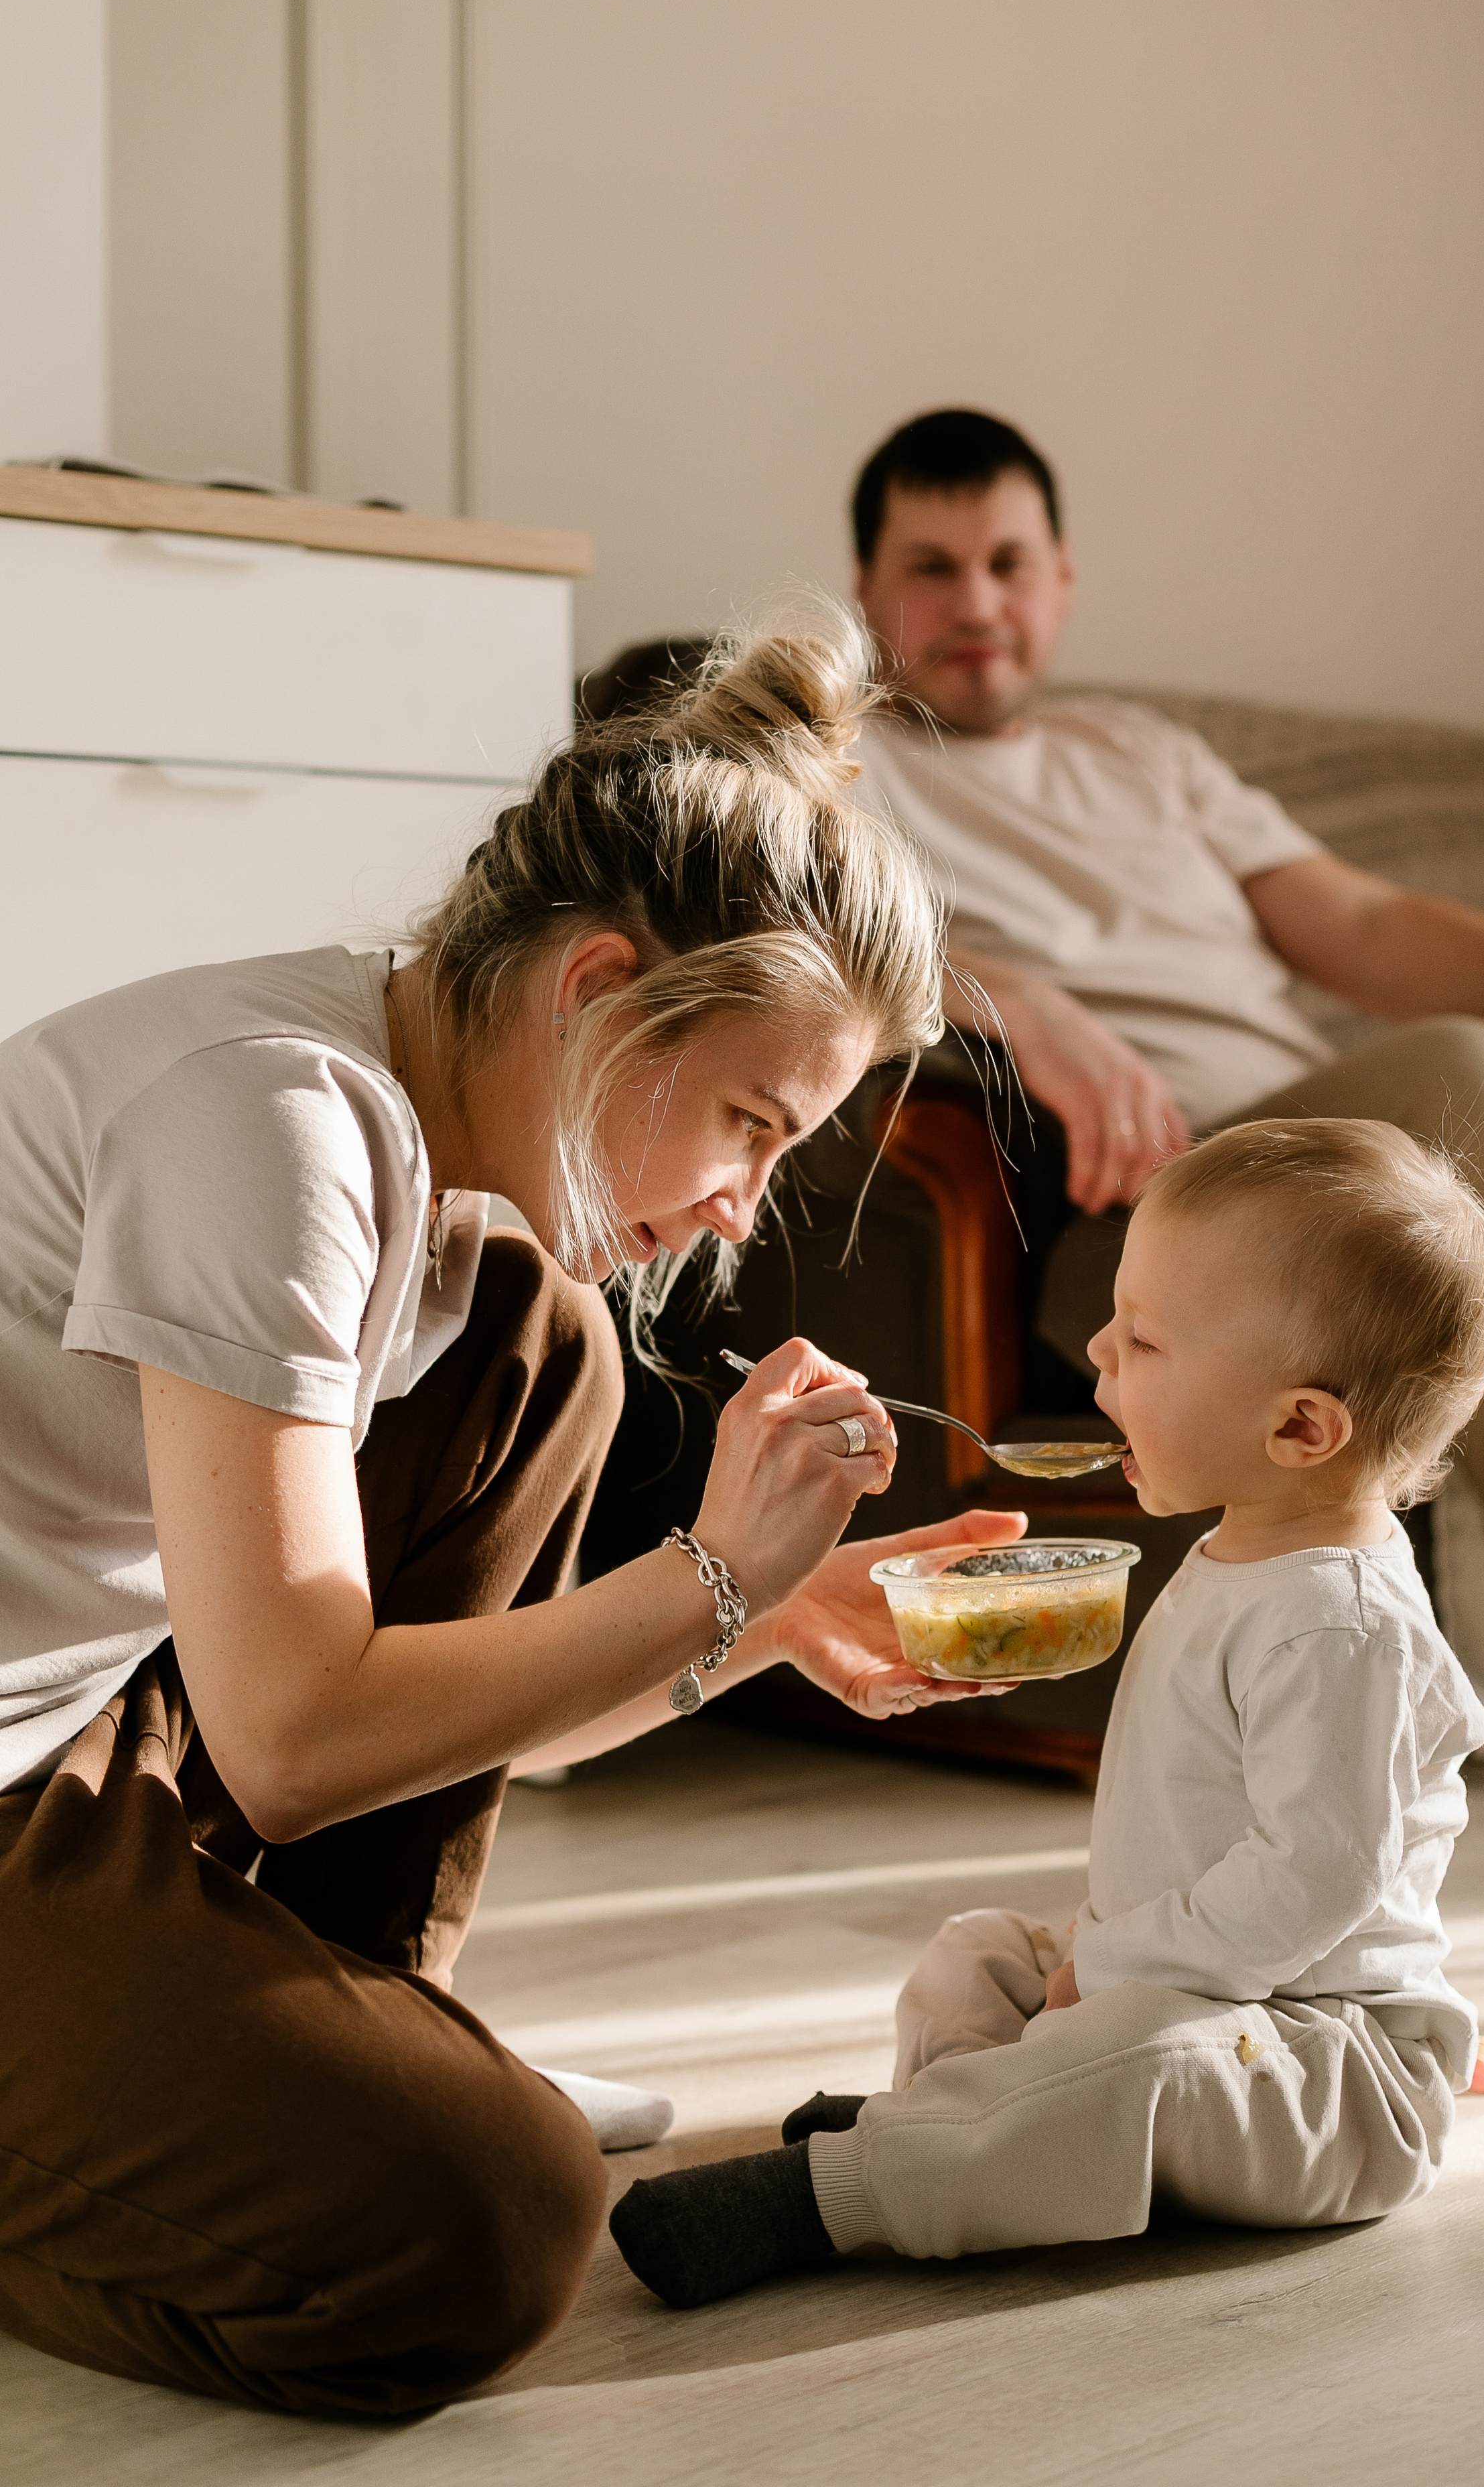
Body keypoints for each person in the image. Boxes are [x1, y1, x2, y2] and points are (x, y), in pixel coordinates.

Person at [0, 610, 1028, 2419]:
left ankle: (330, 2030)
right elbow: (303, 1737)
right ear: (597, 990)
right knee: (488, 2222)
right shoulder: (278, 1124)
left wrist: (767, 1625)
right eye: (748, 1120)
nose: (741, 1208)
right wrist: (713, 1575)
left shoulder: (447, 1201)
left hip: (92, 1711)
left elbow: (467, 1720)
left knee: (548, 1355)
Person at [834, 405, 1484, 1809]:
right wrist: (1021, 1002)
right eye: (930, 568)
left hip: (1338, 1137)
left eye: (1007, 562)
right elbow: (780, 922)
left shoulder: (1140, 751)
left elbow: (1359, 925)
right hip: (1155, 1212)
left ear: (1060, 578)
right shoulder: (838, 766)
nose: (975, 602)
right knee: (1465, 1079)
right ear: (868, 593)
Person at [608, 1118, 1484, 2305]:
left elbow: (1308, 1889)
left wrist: (1115, 1958)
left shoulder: (1342, 1625)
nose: (1096, 1349)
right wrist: (1099, 1956)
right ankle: (957, 2130)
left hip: (1324, 2063)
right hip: (1193, 1986)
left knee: (1133, 2060)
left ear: (1300, 1427)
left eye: (1142, 1339)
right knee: (976, 1956)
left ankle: (857, 2191)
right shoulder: (1255, 1550)